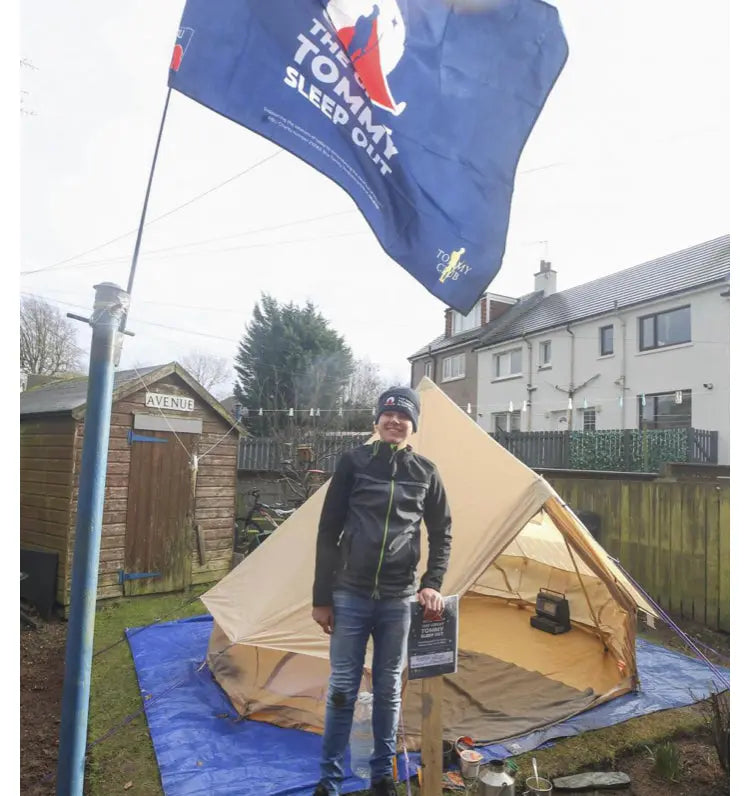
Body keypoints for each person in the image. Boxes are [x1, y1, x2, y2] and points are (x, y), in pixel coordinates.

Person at [311, 386, 452, 796]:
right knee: (342, 688)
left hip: (398, 599)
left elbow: (442, 534)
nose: (395, 421)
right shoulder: (353, 462)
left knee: (389, 688)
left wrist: (432, 583)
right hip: (349, 595)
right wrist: (322, 598)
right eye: (388, 414)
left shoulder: (426, 471)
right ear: (377, 421)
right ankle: (330, 780)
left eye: (403, 416)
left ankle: (381, 776)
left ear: (413, 425)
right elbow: (327, 531)